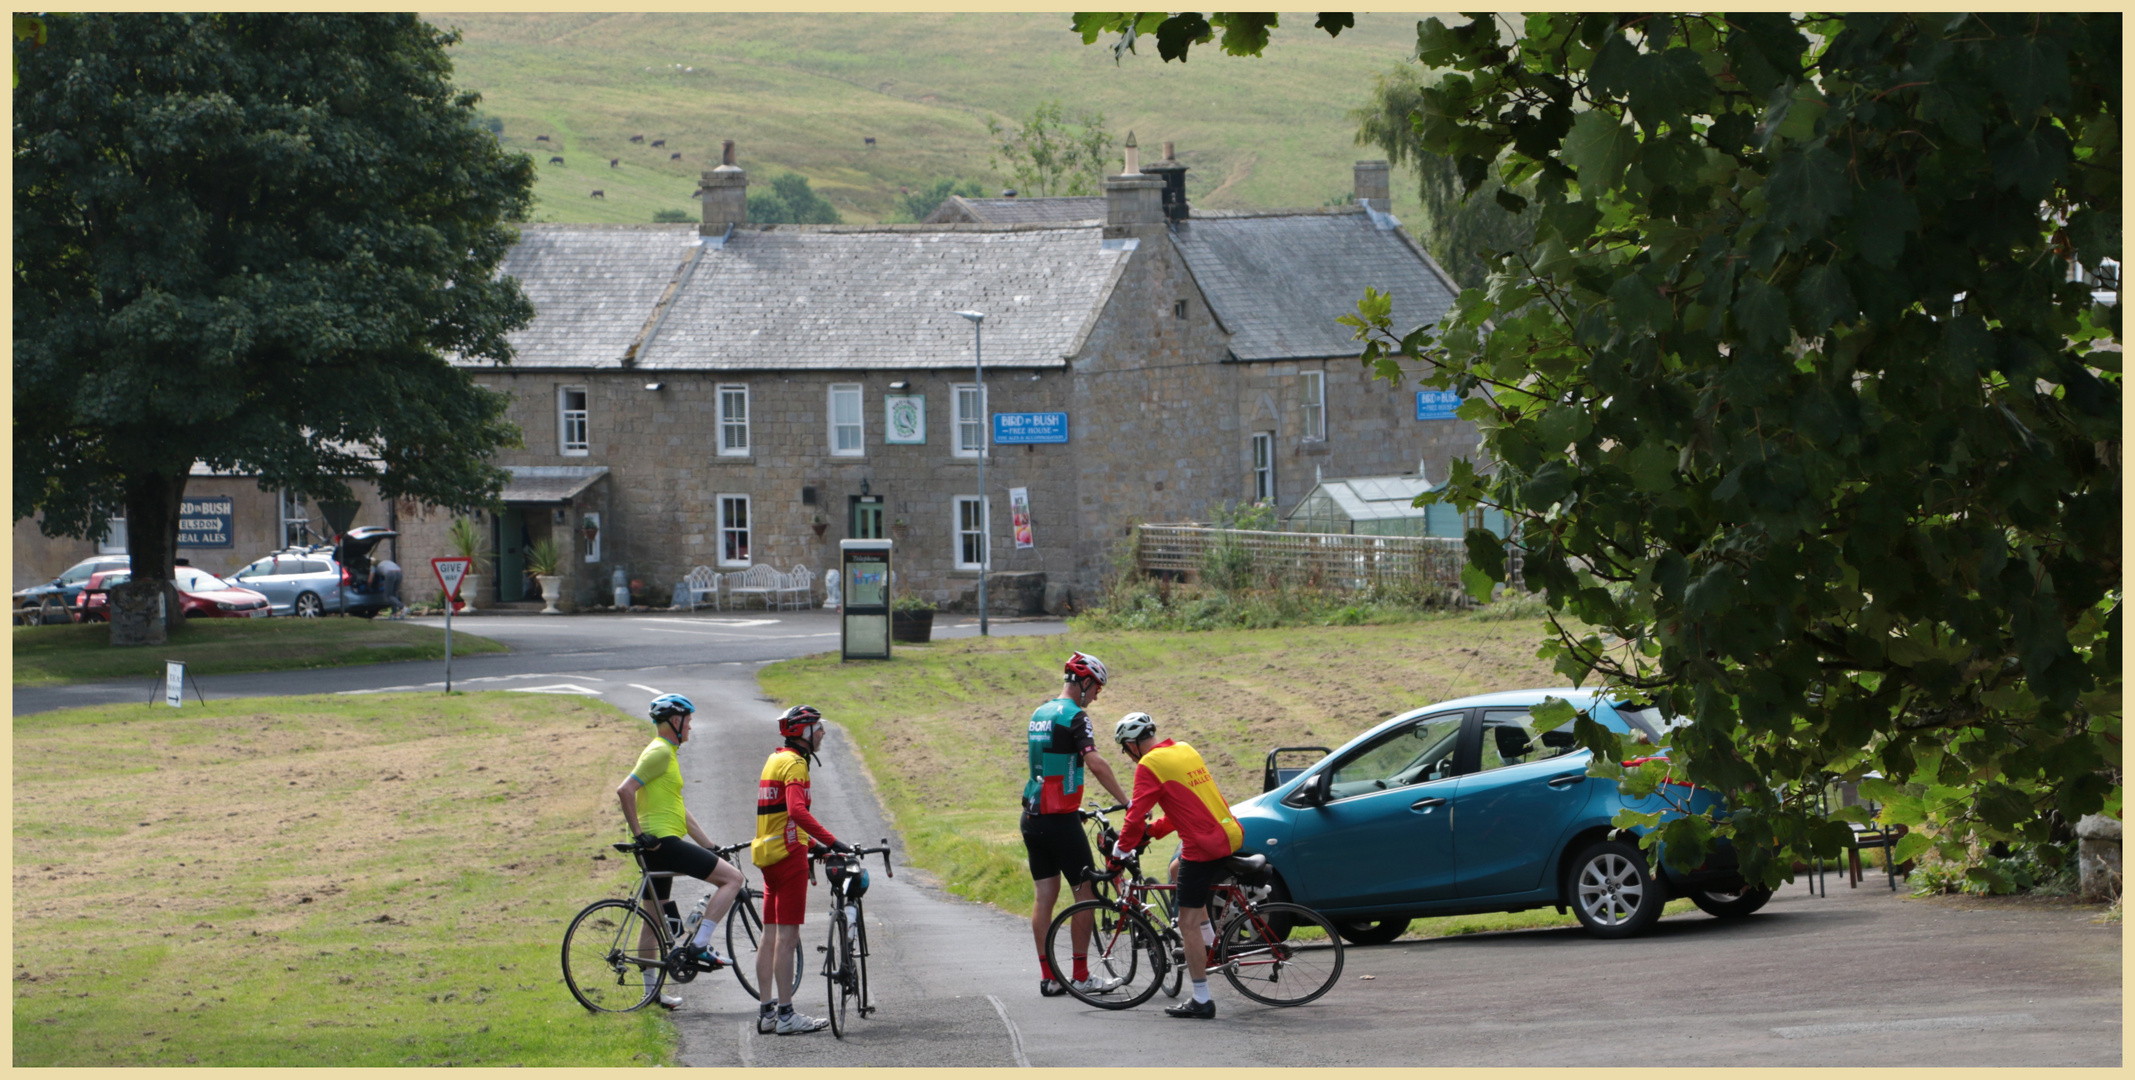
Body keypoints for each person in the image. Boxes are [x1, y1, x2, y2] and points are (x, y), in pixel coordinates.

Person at [615, 693, 746, 1011]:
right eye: (688, 720)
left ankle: (651, 994)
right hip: (662, 844)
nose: (691, 726)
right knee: (733, 880)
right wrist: (640, 835)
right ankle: (700, 944)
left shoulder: (666, 754)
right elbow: (625, 790)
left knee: (653, 920)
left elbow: (680, 811)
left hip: (658, 843)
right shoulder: (660, 752)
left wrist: (710, 846)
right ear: (675, 721)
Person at [1110, 711, 1243, 1020]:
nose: (1128, 755)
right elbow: (1187, 805)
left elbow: (1134, 816)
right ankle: (1212, 945)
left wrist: (1119, 852)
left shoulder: (1148, 765)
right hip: (1229, 832)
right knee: (1175, 870)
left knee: (1187, 923)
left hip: (1204, 845)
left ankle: (1201, 999)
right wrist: (1154, 831)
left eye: (1125, 749)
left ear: (1131, 745)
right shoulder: (1184, 749)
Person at [1022, 651, 1132, 998]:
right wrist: (1128, 801)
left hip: (1032, 817)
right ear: (1084, 683)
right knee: (1085, 894)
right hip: (1059, 821)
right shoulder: (1075, 716)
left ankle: (1049, 977)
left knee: (1044, 898)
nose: (1097, 695)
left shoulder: (1039, 713)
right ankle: (1081, 975)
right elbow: (1094, 763)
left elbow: (1053, 765)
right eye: (1097, 688)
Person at [752, 704, 853, 1036]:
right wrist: (834, 842)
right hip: (788, 858)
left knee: (769, 938)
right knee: (788, 938)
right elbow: (795, 811)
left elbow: (779, 815)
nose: (822, 731)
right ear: (803, 733)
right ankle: (786, 1015)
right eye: (817, 726)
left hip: (768, 856)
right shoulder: (796, 765)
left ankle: (767, 1012)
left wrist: (816, 847)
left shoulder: (774, 759)